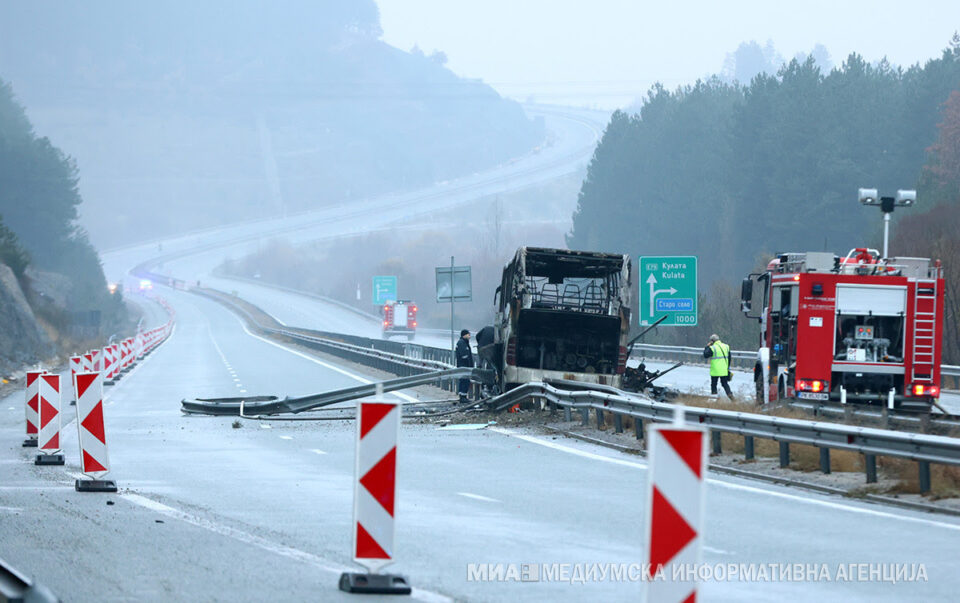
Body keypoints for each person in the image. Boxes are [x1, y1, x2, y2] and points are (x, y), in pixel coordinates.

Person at [703, 333, 734, 400]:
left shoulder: (712, 348)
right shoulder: (726, 346)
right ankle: (732, 398)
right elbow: (729, 358)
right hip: (724, 369)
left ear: (712, 341)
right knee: (725, 384)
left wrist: (707, 347)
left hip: (715, 370)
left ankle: (714, 399)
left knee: (714, 385)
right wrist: (727, 367)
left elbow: (705, 355)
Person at [456, 329, 474, 403]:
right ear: (464, 335)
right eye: (468, 334)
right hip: (464, 365)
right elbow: (464, 355)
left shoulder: (464, 342)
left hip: (464, 366)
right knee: (464, 381)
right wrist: (468, 363)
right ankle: (463, 397)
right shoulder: (462, 343)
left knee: (464, 381)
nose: (470, 336)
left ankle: (462, 396)